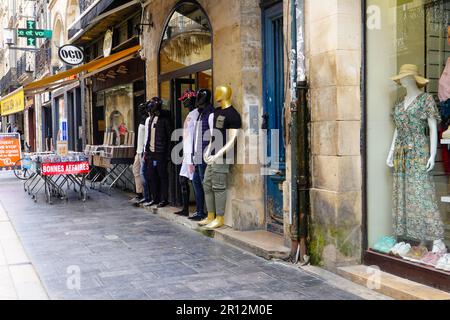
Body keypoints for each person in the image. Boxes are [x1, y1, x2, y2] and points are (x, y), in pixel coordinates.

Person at [189, 89, 216, 222]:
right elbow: (197, 136)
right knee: (196, 183)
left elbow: (213, 136)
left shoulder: (210, 114)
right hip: (198, 155)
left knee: (206, 184)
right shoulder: (200, 114)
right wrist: (194, 155)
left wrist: (208, 153)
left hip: (204, 156)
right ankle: (200, 210)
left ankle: (207, 212)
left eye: (200, 97)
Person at [144, 97, 173, 209]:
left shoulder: (165, 119)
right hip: (151, 153)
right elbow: (149, 136)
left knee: (162, 176)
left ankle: (164, 199)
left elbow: (169, 137)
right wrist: (147, 151)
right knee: (151, 176)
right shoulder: (151, 119)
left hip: (161, 153)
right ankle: (154, 198)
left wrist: (168, 154)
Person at [175, 90, 199, 216]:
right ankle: (186, 209)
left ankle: (199, 210)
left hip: (192, 154)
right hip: (187, 153)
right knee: (183, 180)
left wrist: (190, 159)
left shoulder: (195, 115)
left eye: (185, 99)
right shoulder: (191, 114)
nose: (183, 102)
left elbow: (193, 137)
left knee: (194, 182)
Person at [130, 103, 150, 206]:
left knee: (143, 174)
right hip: (138, 151)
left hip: (142, 151)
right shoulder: (143, 119)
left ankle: (145, 195)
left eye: (141, 109)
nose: (140, 110)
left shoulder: (147, 120)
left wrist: (143, 151)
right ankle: (139, 193)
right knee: (136, 171)